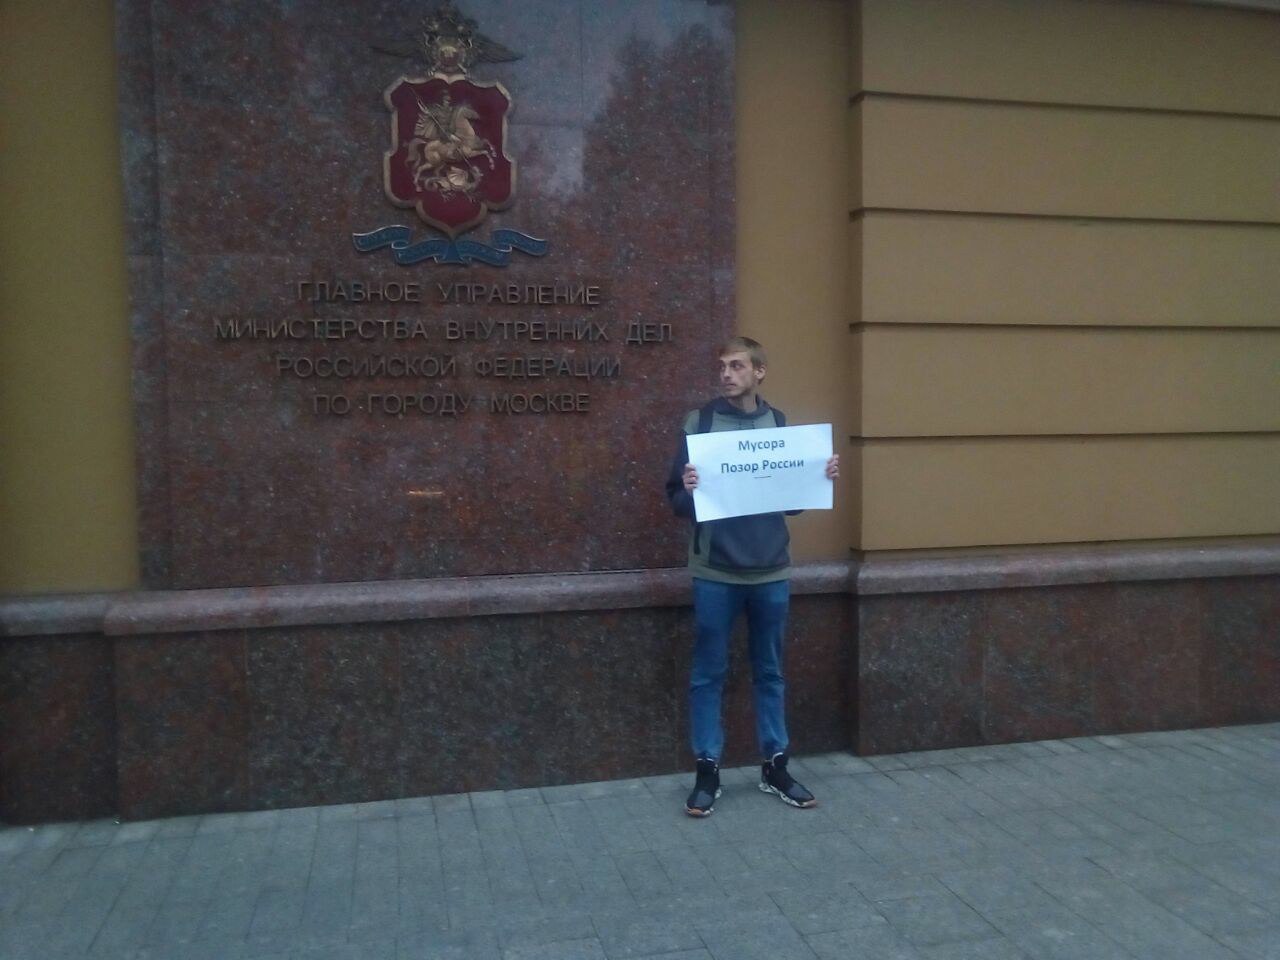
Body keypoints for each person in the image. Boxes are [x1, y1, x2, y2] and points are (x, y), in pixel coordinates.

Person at [664, 336, 839, 817]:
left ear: (759, 372)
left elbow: (792, 503)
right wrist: (688, 490)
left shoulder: (778, 424)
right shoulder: (699, 424)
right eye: (722, 366)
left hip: (770, 570)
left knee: (770, 671)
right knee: (708, 673)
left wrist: (817, 476)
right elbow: (675, 499)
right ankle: (707, 769)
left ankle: (775, 766)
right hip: (715, 572)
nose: (726, 374)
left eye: (737, 366)